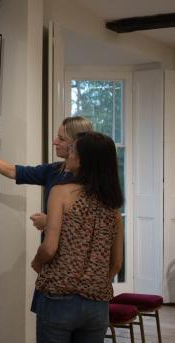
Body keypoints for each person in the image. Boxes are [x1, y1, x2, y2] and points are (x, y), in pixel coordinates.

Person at [31, 131, 124, 342]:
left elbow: (49, 248)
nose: (68, 155)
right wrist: (96, 284)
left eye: (72, 150)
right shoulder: (113, 207)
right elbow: (117, 263)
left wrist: (37, 262)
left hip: (59, 299)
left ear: (82, 160)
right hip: (97, 305)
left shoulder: (61, 192)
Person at [0, 116, 93, 229]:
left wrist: (50, 223)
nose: (55, 142)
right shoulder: (54, 170)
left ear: (77, 143)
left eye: (61, 139)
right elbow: (13, 171)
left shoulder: (91, 179)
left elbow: (91, 226)